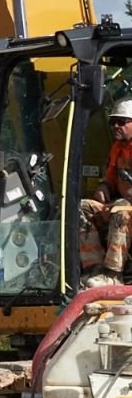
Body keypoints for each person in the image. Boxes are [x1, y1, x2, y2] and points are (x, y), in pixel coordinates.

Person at [78, 98, 132, 287]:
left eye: (121, 122)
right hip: (122, 204)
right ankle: (94, 268)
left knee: (121, 211)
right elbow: (109, 176)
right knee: (81, 208)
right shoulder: (117, 148)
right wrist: (104, 187)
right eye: (113, 122)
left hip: (126, 208)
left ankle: (113, 274)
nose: (115, 126)